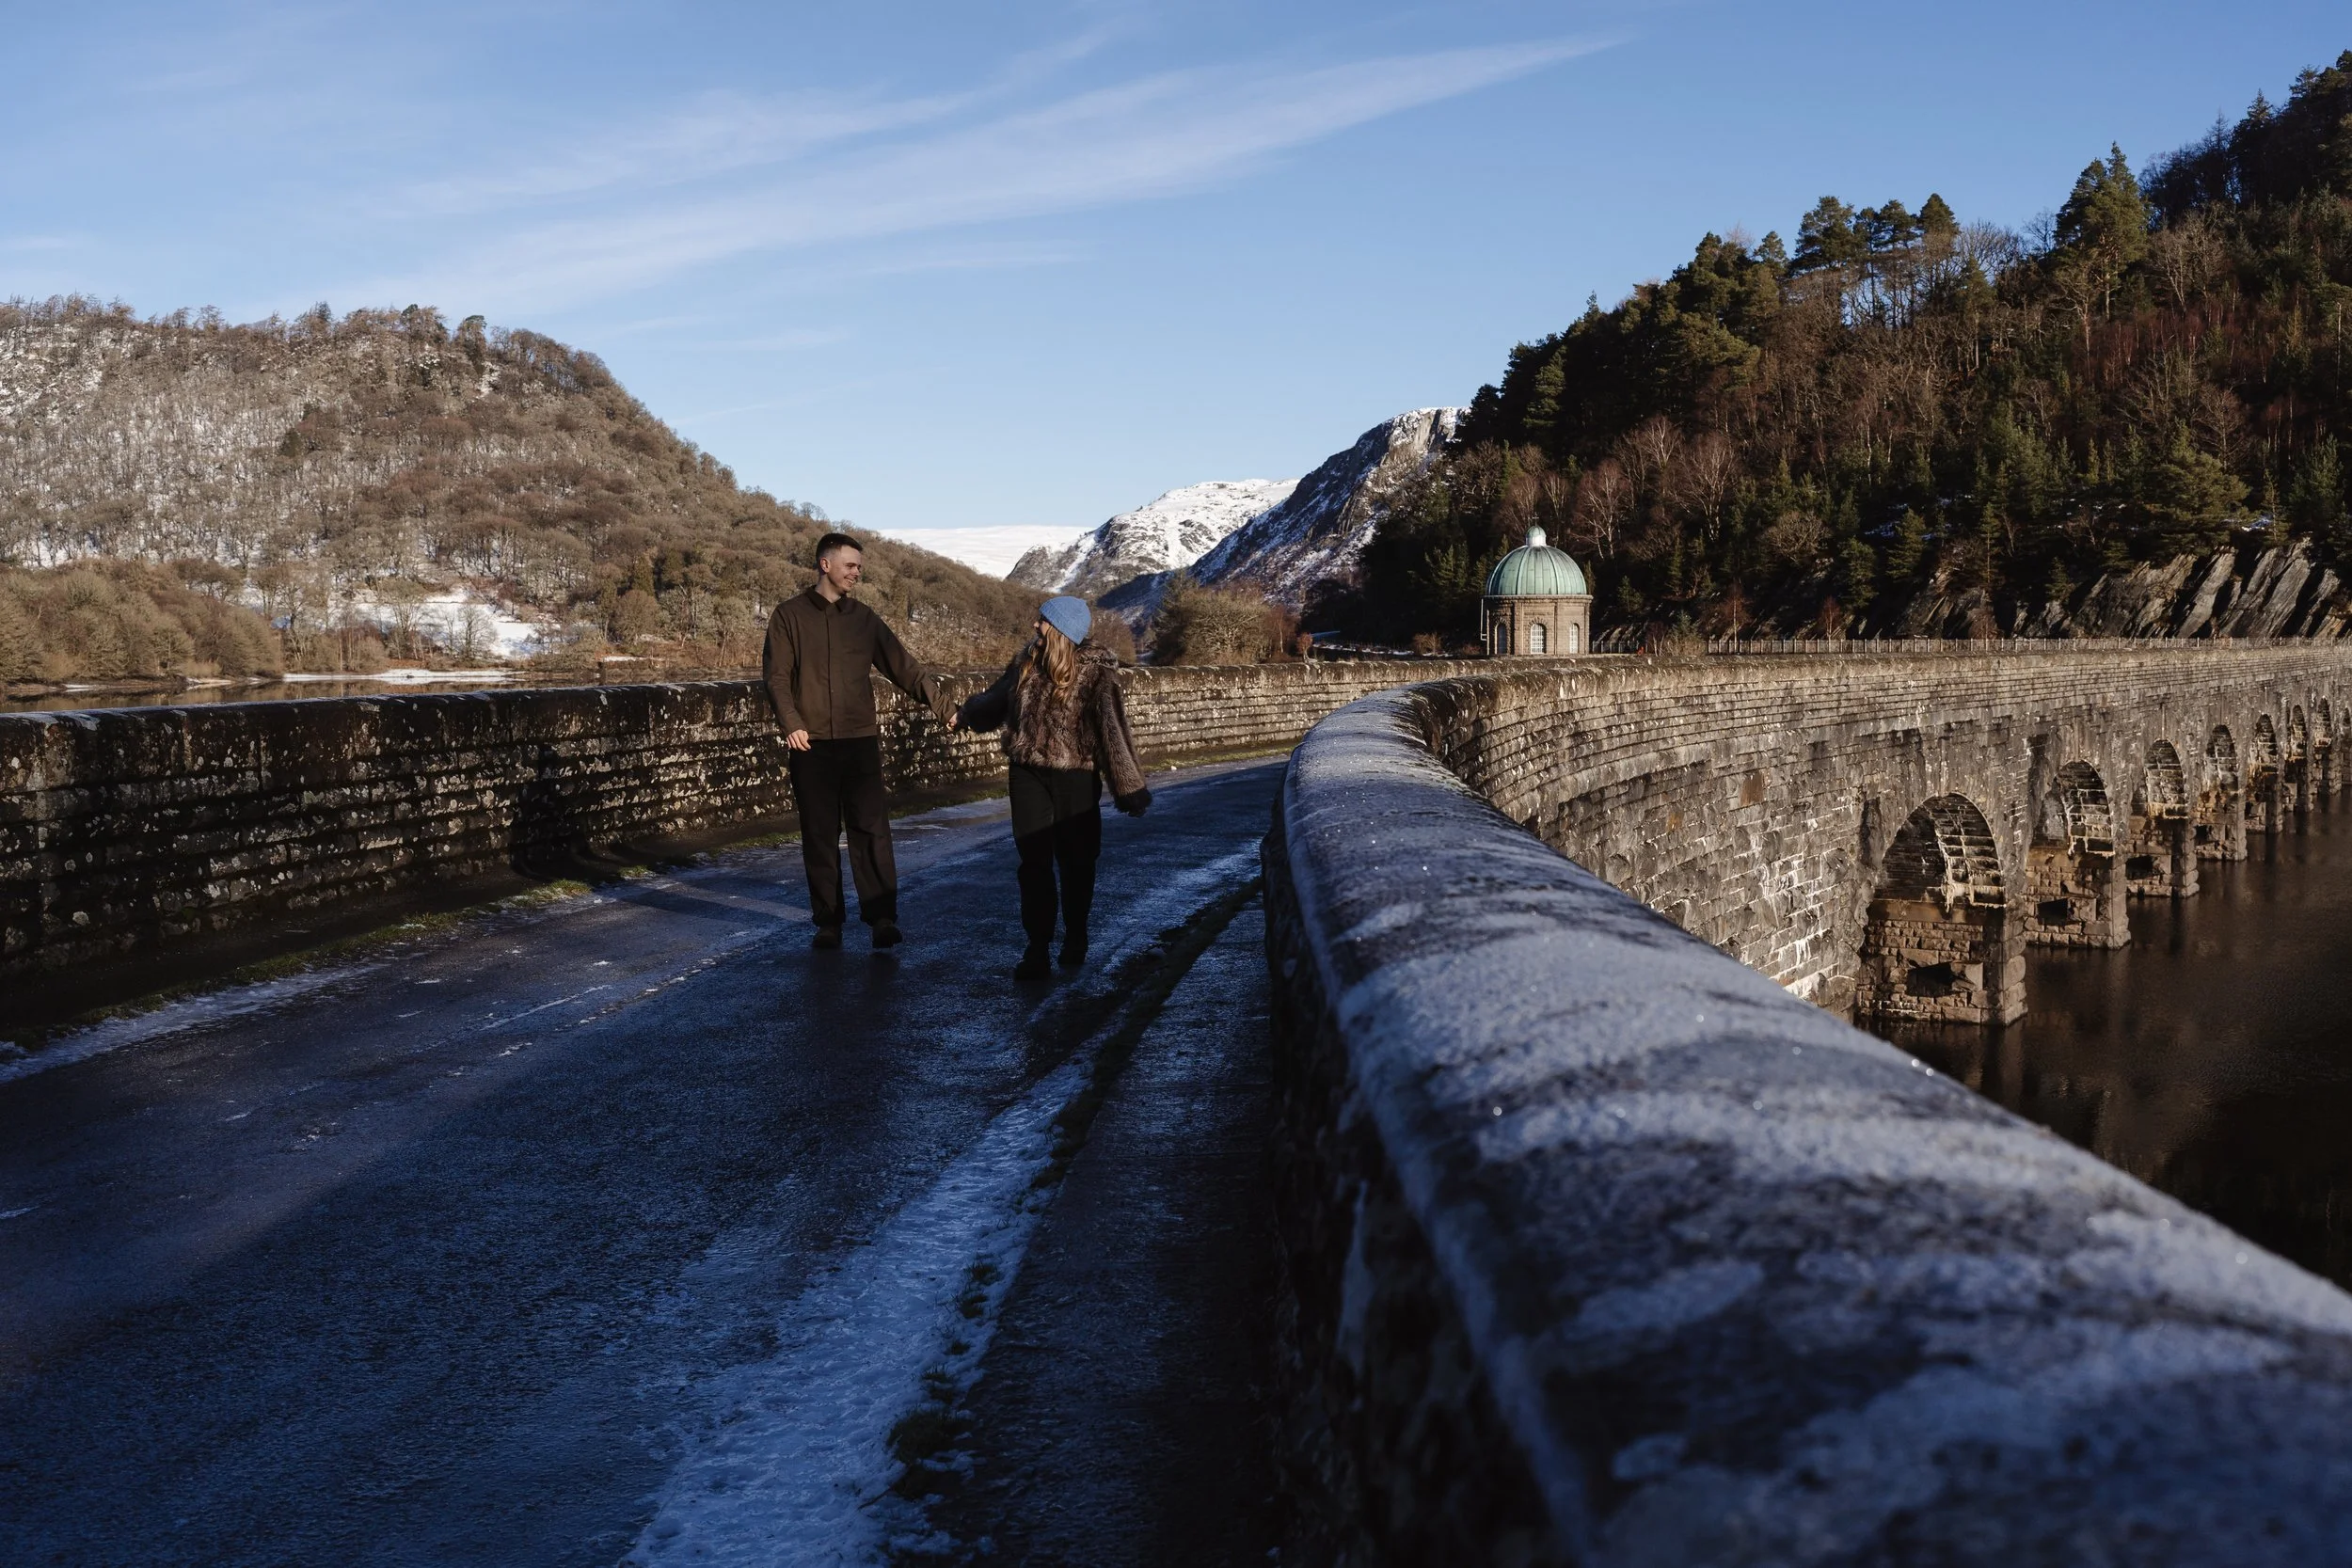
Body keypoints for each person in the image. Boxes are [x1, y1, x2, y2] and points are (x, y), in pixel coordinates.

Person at [762, 531, 952, 949]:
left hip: (860, 739)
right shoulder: (788, 616)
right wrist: (791, 722)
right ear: (825, 564)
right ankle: (828, 923)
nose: (856, 574)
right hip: (809, 743)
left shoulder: (865, 619)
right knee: (819, 833)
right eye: (850, 565)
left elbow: (906, 670)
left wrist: (945, 708)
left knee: (871, 831)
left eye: (859, 568)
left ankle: (882, 918)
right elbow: (776, 677)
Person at [954, 595, 1151, 980]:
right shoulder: (1026, 662)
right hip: (1027, 772)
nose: (1035, 627)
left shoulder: (1096, 674)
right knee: (1034, 863)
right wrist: (966, 714)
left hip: (1075, 776)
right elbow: (996, 699)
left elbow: (1113, 733)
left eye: (1043, 621)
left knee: (1077, 862)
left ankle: (1076, 935)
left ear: (1061, 629)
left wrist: (1130, 790)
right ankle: (1038, 947)